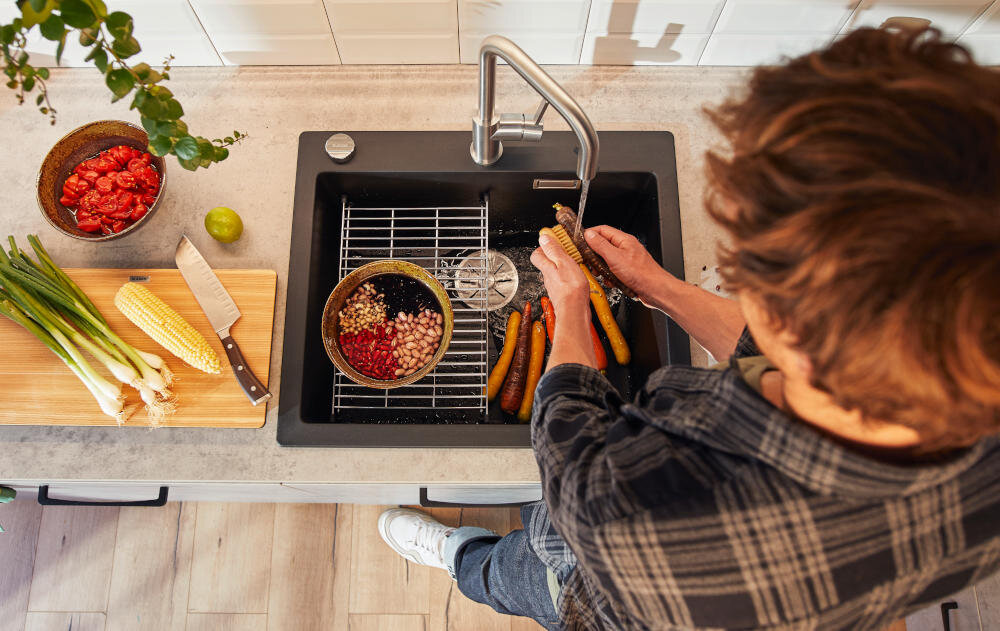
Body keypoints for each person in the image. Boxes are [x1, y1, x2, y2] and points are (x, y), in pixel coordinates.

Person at [377, 26, 1000, 630]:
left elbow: (569, 450)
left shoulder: (662, 515)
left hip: (605, 593)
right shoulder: (951, 377)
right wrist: (656, 286)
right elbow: (773, 353)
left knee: (514, 573)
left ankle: (461, 555)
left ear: (790, 320)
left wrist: (569, 308)